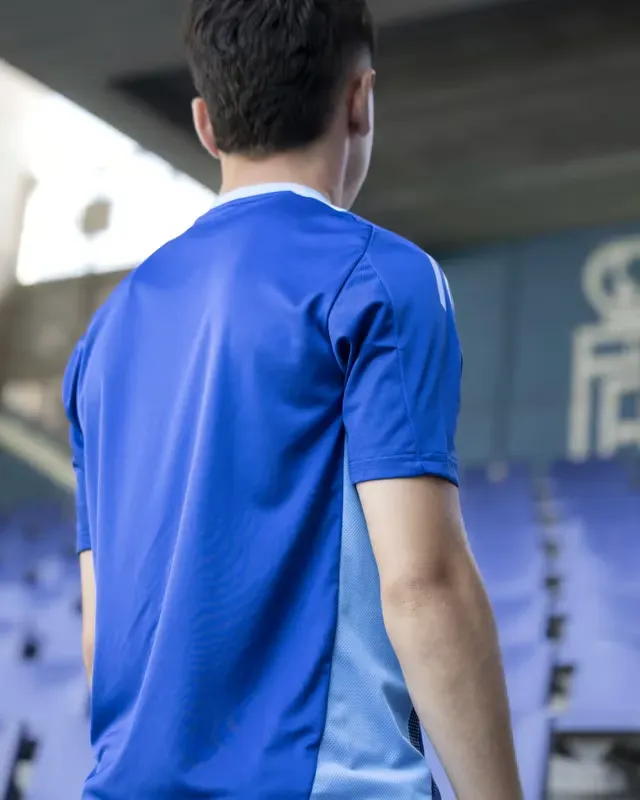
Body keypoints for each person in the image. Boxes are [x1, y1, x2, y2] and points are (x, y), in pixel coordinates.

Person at [63, 1, 523, 797]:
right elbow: (423, 584)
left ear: (206, 124)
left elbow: (104, 635)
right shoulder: (381, 277)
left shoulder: (105, 334)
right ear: (360, 100)